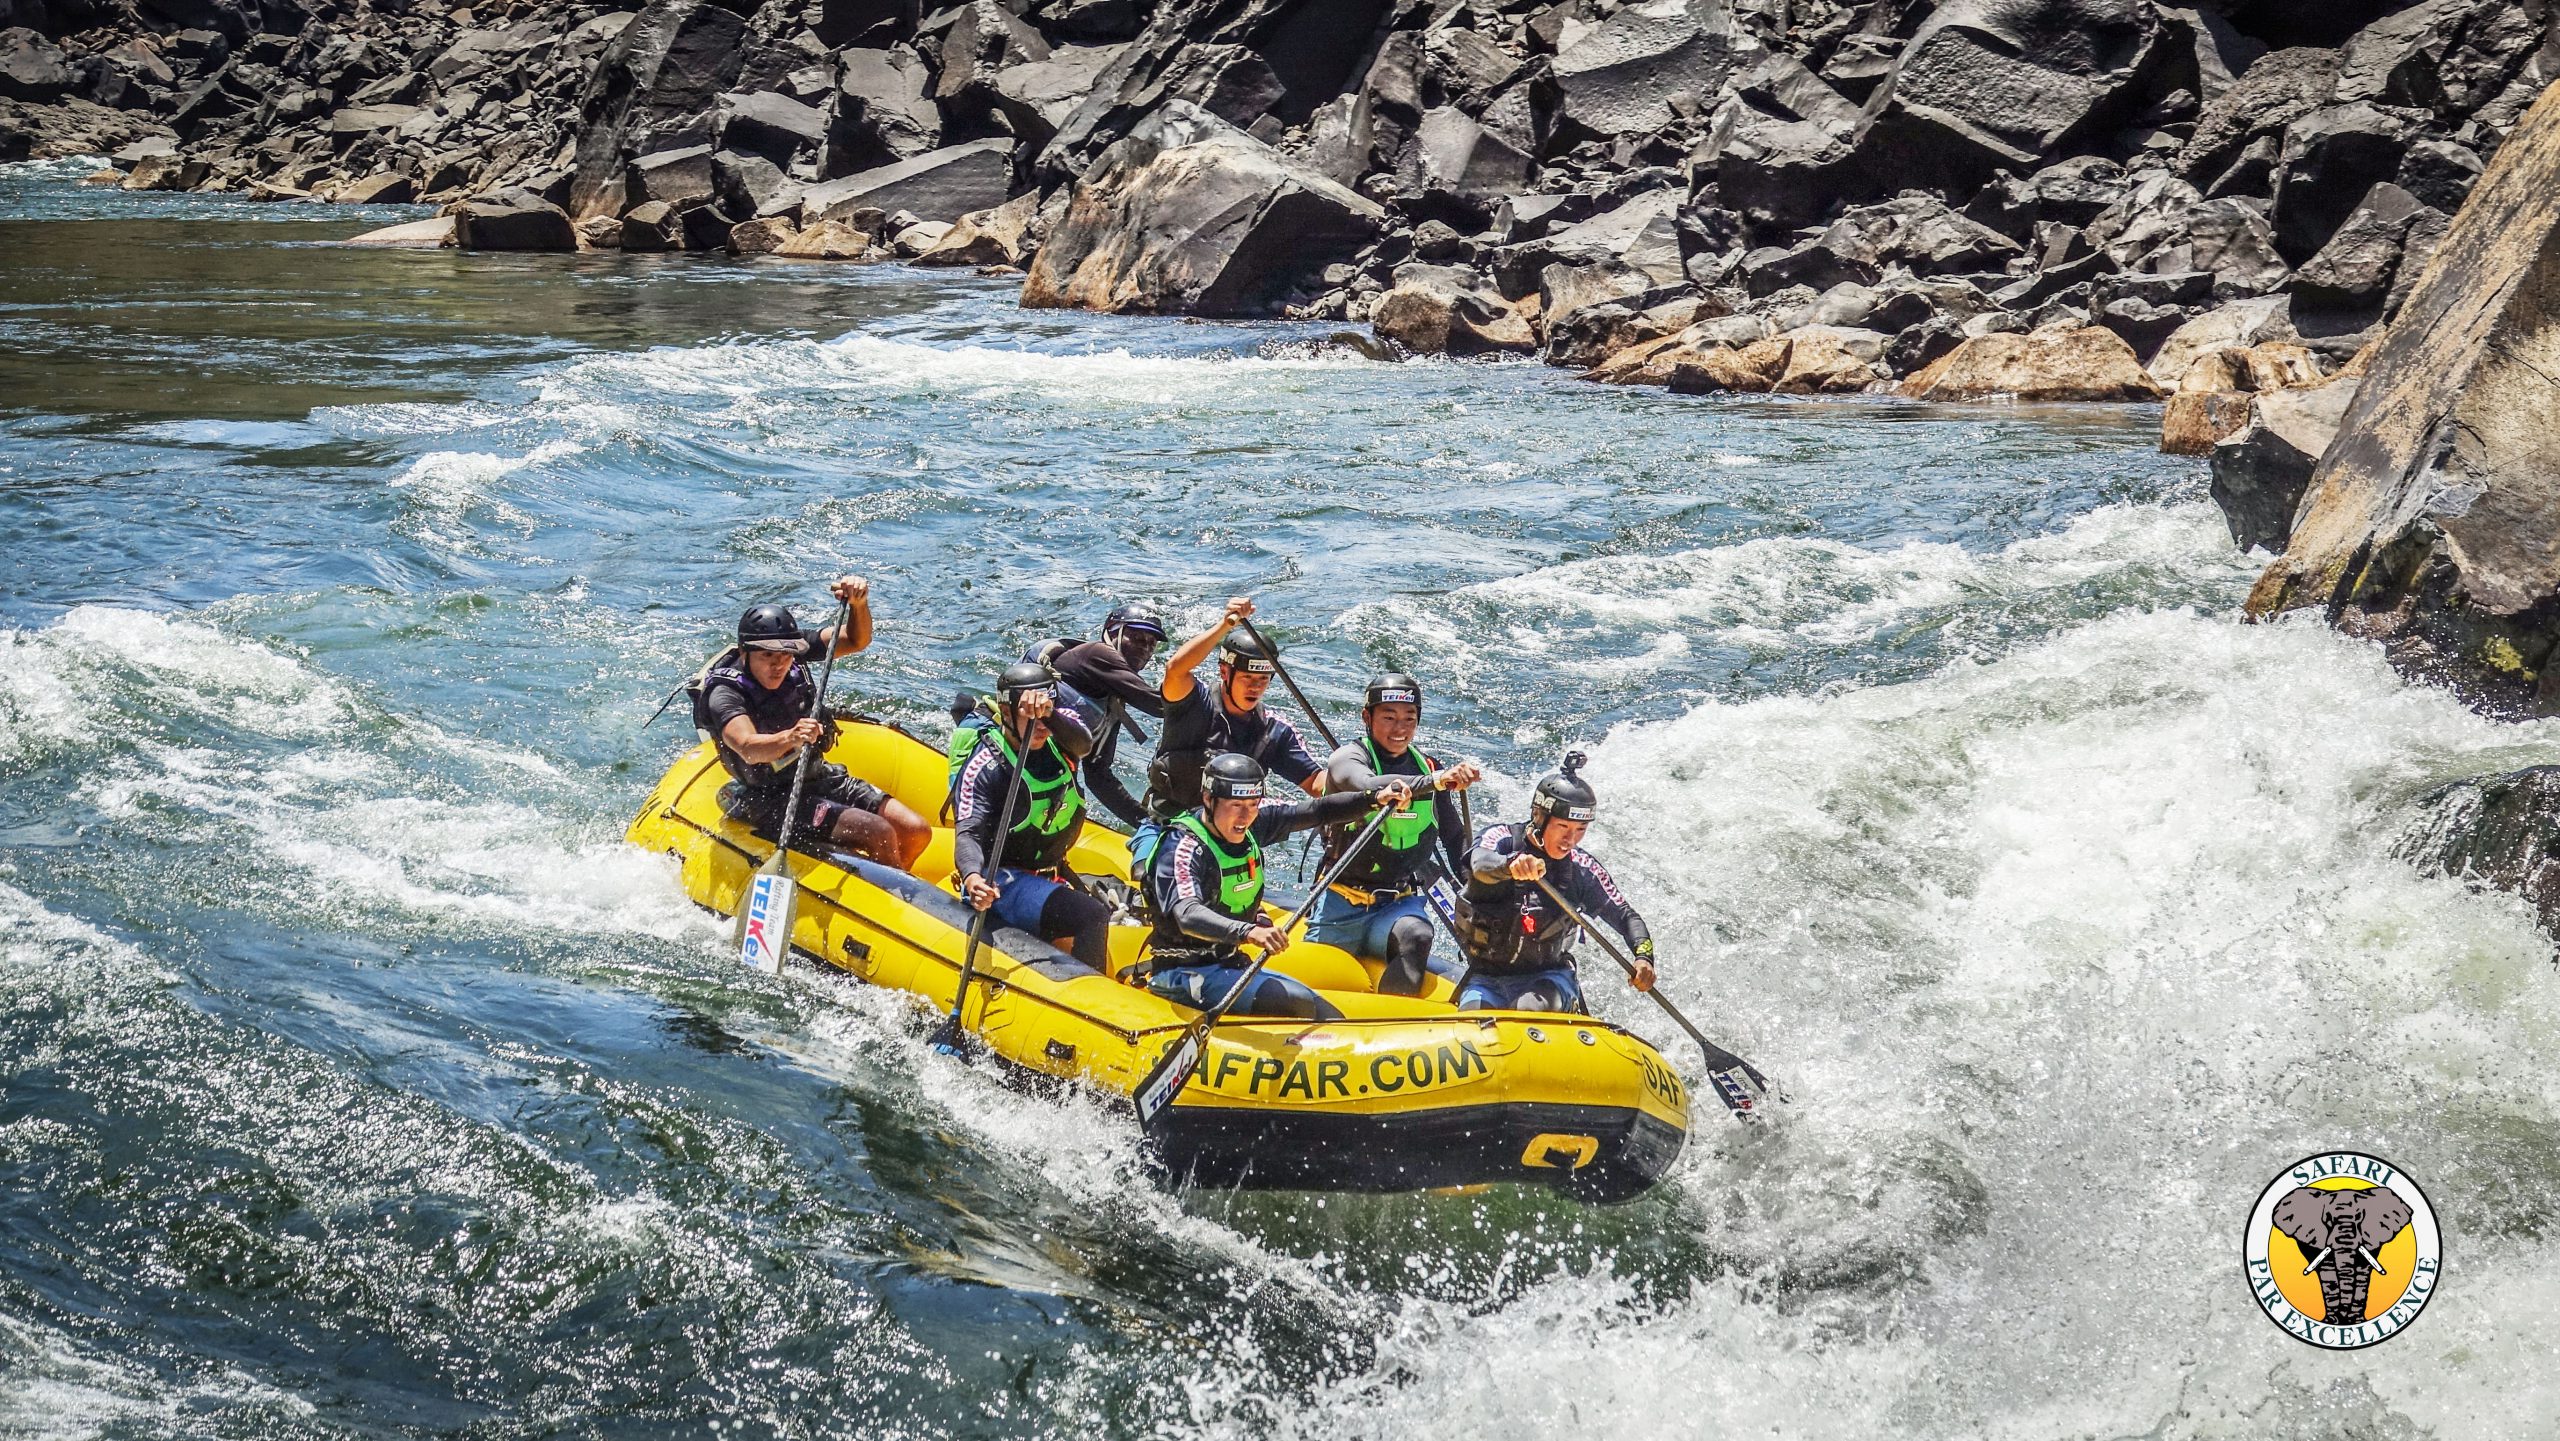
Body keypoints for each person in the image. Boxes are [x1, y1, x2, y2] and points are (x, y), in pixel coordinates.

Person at [1144, 753, 1408, 1021]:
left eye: (1253, 804)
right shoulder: (1182, 847)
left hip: (1229, 963)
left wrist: (1374, 799)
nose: (1245, 816)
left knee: (1328, 1014)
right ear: (1208, 800)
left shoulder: (1254, 823)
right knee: (1297, 1002)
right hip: (1179, 972)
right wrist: (1249, 931)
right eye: (1235, 805)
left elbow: (1318, 811)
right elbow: (1186, 914)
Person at [696, 577, 929, 868]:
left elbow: (856, 639)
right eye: (767, 656)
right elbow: (748, 747)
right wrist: (790, 737)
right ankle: (888, 888)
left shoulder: (795, 652)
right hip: (767, 796)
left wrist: (859, 605)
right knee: (877, 832)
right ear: (745, 653)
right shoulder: (725, 693)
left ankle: (892, 880)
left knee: (915, 829)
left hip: (816, 775)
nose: (779, 664)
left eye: (785, 655)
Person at [1307, 673, 1483, 995]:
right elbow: (1364, 783)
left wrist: (1479, 889)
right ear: (1367, 717)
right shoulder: (1347, 759)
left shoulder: (1429, 768)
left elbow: (1455, 839)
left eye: (1409, 719)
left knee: (1418, 935)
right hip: (1340, 901)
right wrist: (1436, 781)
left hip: (1397, 904)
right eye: (1389, 718)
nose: (1400, 728)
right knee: (1316, 984)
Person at [1450, 752, 1655, 1013]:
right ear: (1538, 815)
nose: (1571, 840)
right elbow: (1479, 863)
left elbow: (1627, 916)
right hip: (1485, 977)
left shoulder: (1583, 869)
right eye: (1563, 827)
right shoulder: (1501, 839)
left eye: (1580, 830)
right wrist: (1509, 865)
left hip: (1549, 980)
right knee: (1474, 1020)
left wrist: (1644, 957)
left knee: (1527, 1008)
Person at [1135, 597, 1325, 866]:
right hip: (1166, 825)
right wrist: (1224, 625)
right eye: (1247, 678)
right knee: (1147, 873)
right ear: (1225, 672)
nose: (1255, 687)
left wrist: (1366, 789)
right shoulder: (1193, 704)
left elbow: (1317, 783)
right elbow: (1176, 669)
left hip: (1229, 841)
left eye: (1263, 680)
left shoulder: (1274, 732)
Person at [951, 662, 1114, 970]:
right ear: (1006, 712)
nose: (1041, 726)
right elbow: (968, 832)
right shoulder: (986, 766)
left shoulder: (1060, 738)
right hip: (1003, 880)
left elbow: (1084, 744)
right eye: (1030, 715)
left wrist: (1047, 713)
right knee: (1091, 915)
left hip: (1049, 872)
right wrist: (972, 877)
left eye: (1047, 712)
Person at [1035, 603, 1169, 828]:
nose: (1145, 648)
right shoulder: (1096, 654)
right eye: (1137, 638)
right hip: (1021, 762)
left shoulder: (1113, 699)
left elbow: (1097, 776)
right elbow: (1160, 706)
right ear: (1112, 633)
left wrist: (1147, 823)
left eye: (1152, 643)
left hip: (1048, 771)